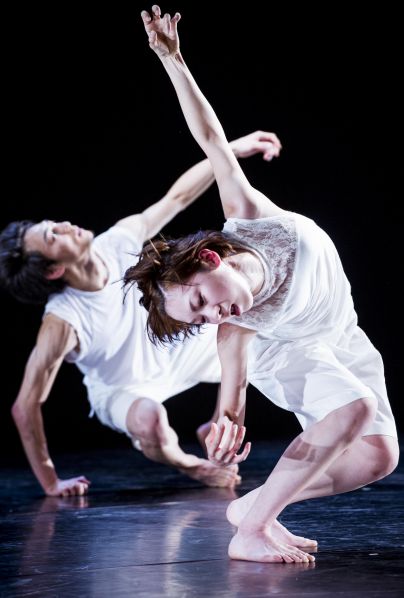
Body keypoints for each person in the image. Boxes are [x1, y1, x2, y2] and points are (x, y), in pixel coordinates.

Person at [127, 5, 400, 563]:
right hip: (288, 349)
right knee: (354, 408)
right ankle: (250, 531)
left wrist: (173, 59)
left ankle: (254, 509)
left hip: (340, 332)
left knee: (378, 457)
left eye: (201, 300)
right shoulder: (236, 328)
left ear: (210, 258)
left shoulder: (250, 219)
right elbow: (233, 387)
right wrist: (229, 415)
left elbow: (211, 139)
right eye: (199, 319)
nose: (213, 316)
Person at [0, 128, 281, 498]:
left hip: (175, 353)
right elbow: (26, 405)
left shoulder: (116, 242)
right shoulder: (63, 321)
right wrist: (51, 482)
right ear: (53, 270)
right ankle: (192, 464)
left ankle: (212, 426)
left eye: (53, 224)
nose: (64, 226)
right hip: (123, 387)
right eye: (53, 236)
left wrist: (230, 151)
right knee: (151, 419)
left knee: (241, 322)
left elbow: (177, 197)